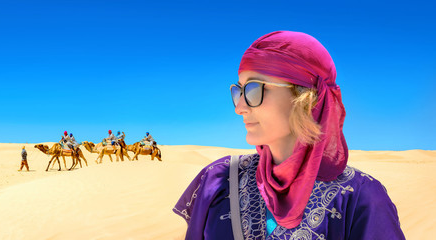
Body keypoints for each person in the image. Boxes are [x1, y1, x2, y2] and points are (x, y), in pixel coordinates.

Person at [173, 31, 405, 239]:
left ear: (306, 98)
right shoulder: (220, 179)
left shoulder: (360, 198)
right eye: (239, 91)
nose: (239, 107)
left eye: (254, 89)